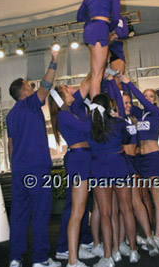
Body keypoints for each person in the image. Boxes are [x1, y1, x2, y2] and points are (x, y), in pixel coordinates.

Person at [6, 47, 61, 267]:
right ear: (24, 91)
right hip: (37, 169)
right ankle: (40, 259)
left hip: (19, 171)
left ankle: (15, 258)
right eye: (28, 85)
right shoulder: (29, 104)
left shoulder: (11, 115)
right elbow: (46, 86)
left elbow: (10, 145)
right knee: (40, 214)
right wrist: (54, 61)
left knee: (19, 216)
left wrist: (15, 168)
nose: (32, 85)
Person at [119, 76, 159, 249]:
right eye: (146, 96)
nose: (148, 99)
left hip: (154, 157)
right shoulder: (140, 113)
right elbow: (125, 103)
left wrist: (128, 82)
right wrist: (120, 84)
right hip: (142, 160)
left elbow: (139, 98)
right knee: (155, 197)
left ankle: (158, 237)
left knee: (157, 198)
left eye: (151, 97)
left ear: (155, 101)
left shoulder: (155, 113)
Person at [49, 75, 96, 267]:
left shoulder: (71, 111)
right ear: (60, 97)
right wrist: (95, 111)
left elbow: (86, 84)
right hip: (78, 159)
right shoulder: (63, 115)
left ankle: (74, 249)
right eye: (66, 89)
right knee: (77, 209)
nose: (70, 89)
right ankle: (70, 257)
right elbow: (86, 127)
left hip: (83, 157)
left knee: (81, 207)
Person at [88, 93, 139, 267]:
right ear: (109, 106)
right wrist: (119, 119)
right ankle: (133, 251)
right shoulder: (117, 123)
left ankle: (109, 256)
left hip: (99, 168)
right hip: (118, 164)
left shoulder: (89, 126)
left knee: (105, 214)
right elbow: (128, 138)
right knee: (127, 209)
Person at [77, 0, 120, 100]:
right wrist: (108, 28)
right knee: (97, 74)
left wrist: (92, 19)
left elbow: (79, 17)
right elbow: (116, 17)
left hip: (90, 30)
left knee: (95, 71)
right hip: (101, 29)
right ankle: (97, 109)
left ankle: (87, 102)